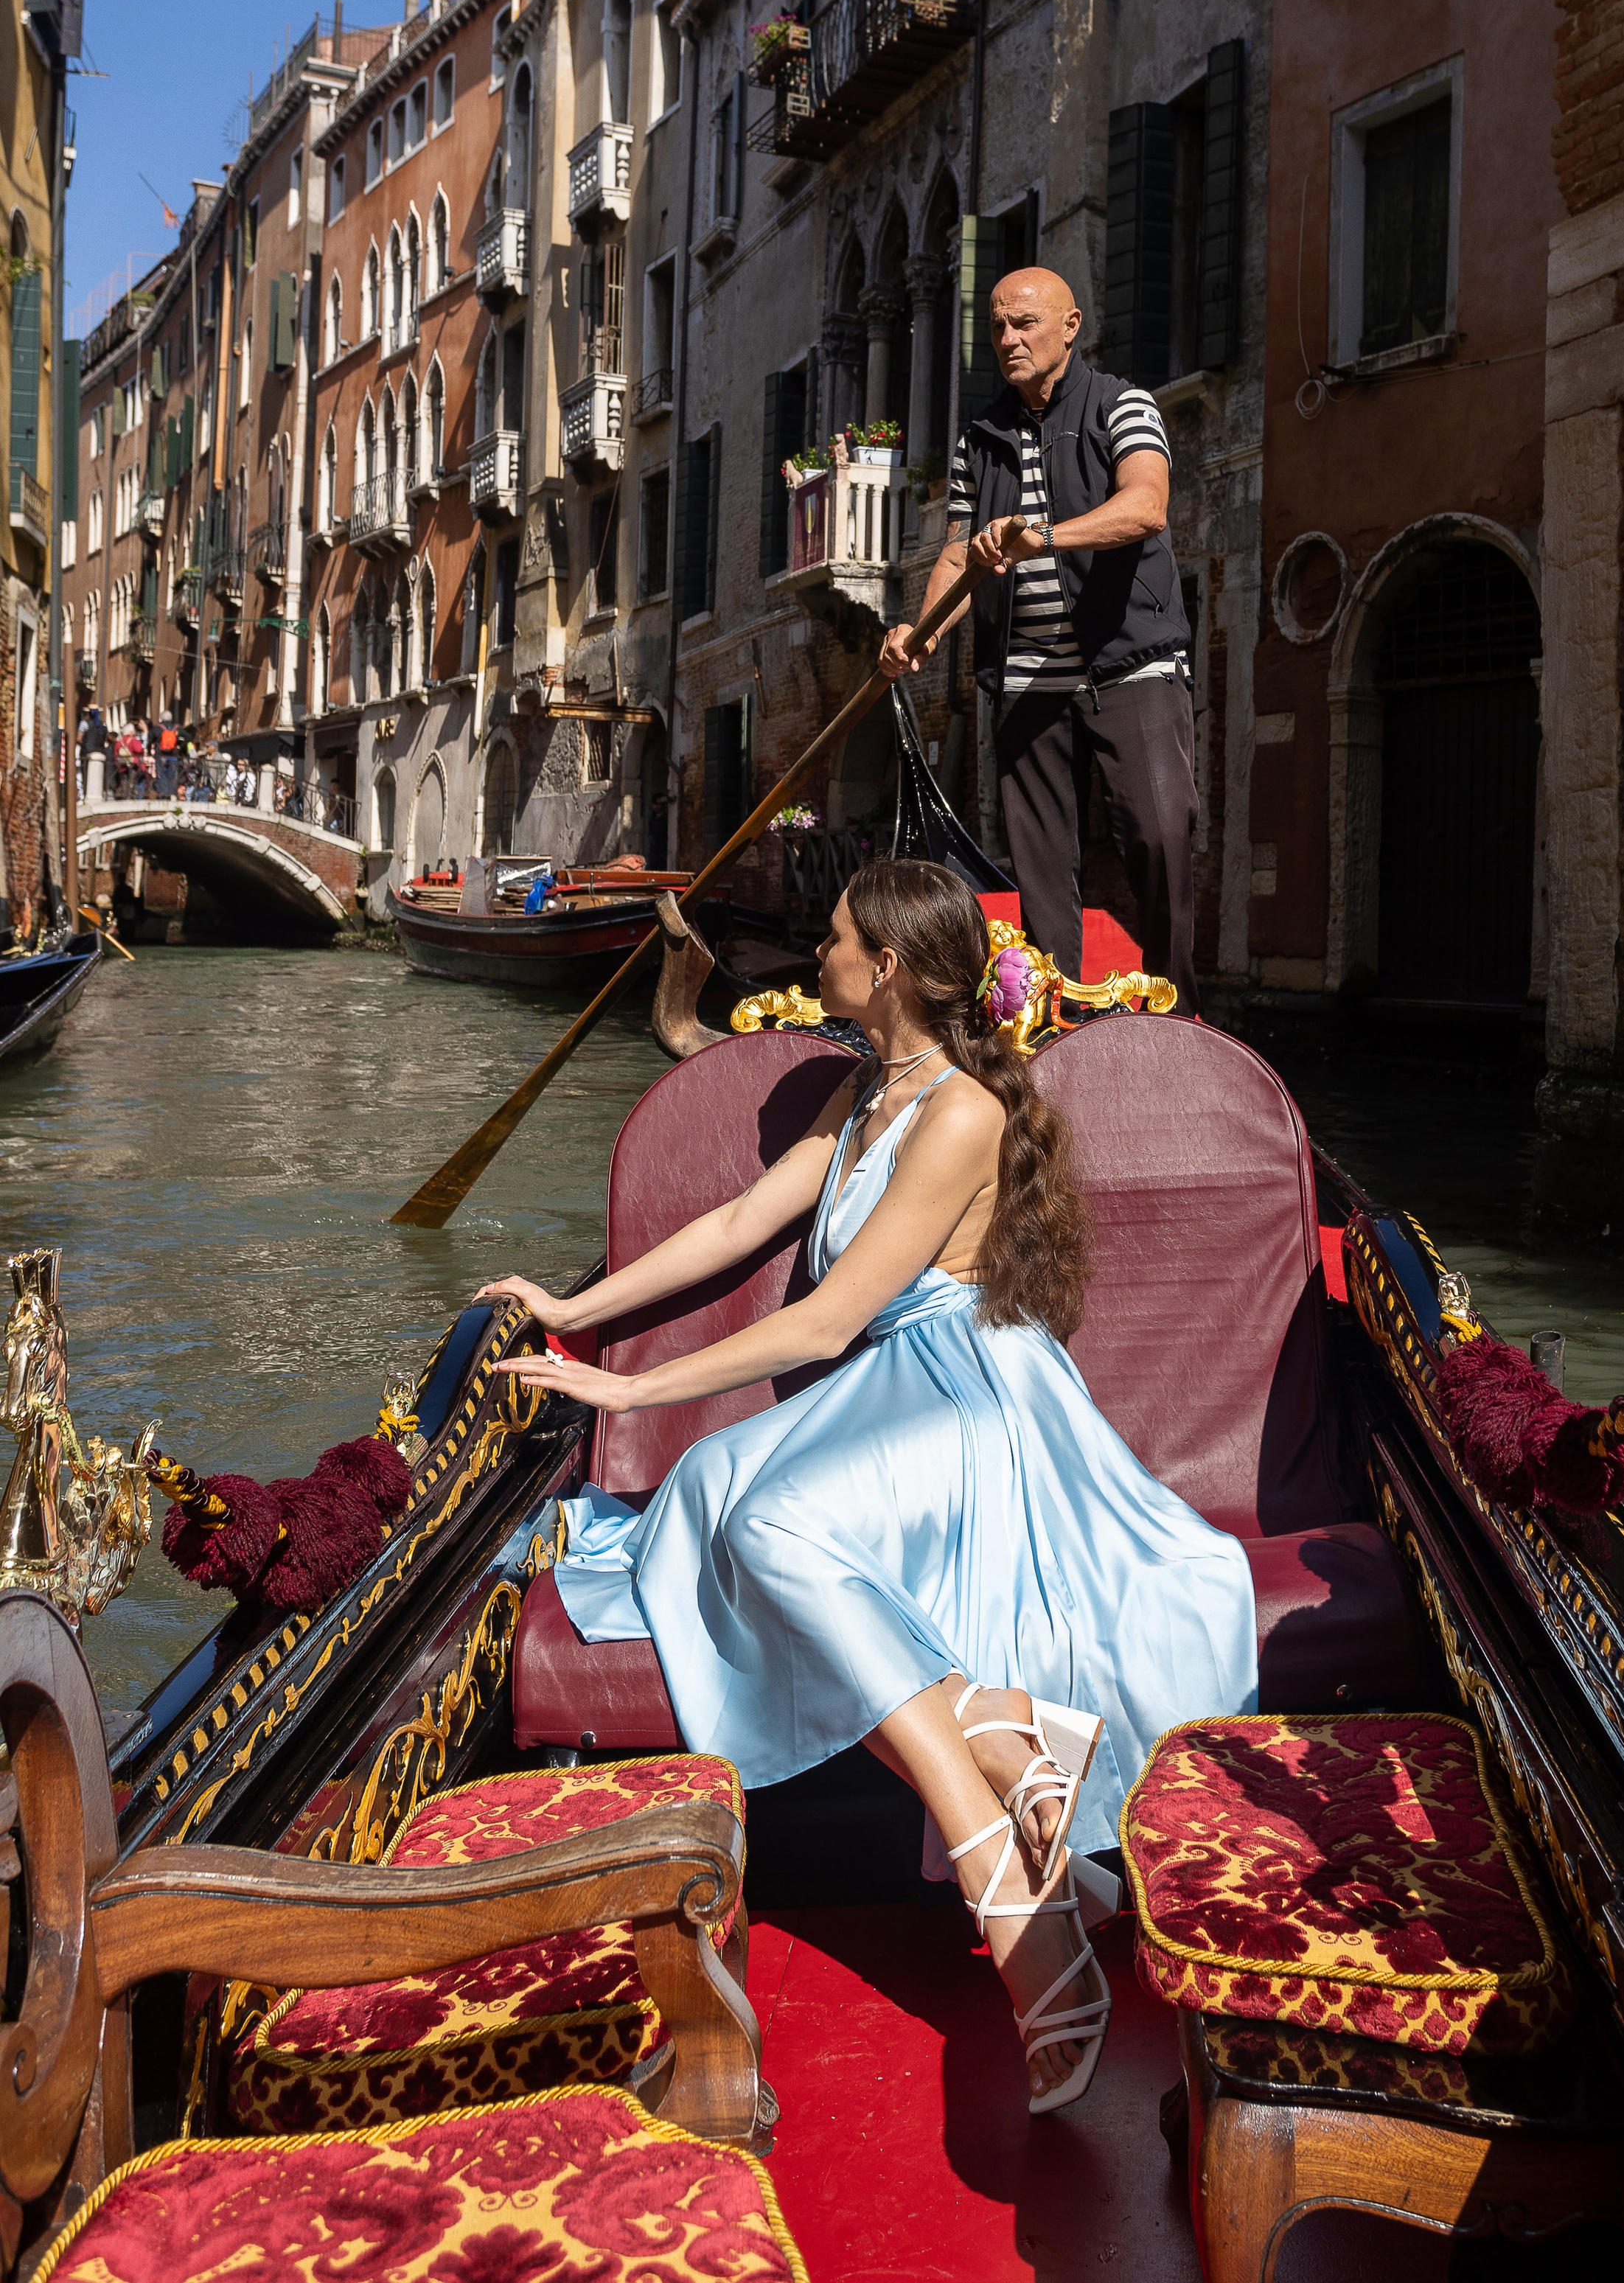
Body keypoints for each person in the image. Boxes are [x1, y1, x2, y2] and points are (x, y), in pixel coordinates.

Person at [478, 860, 1256, 2115]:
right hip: (891, 1395)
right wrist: (578, 1308)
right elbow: (738, 1226)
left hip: (973, 1399)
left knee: (766, 1516)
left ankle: (1004, 1880)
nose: (814, 955)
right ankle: (1003, 1737)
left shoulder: (958, 1115)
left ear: (887, 965)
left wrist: (629, 1395)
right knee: (718, 1489)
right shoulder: (862, 1093)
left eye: (834, 939)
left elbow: (833, 1316)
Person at [879, 267, 1199, 1011]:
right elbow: (958, 555)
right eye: (996, 326)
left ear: (1069, 325)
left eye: (1023, 323)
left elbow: (1145, 505)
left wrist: (1040, 539)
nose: (1008, 339)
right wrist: (920, 633)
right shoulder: (978, 440)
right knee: (1041, 875)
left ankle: (1179, 1014)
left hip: (1134, 670)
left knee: (1159, 840)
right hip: (1027, 683)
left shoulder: (1124, 405)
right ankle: (1055, 1024)